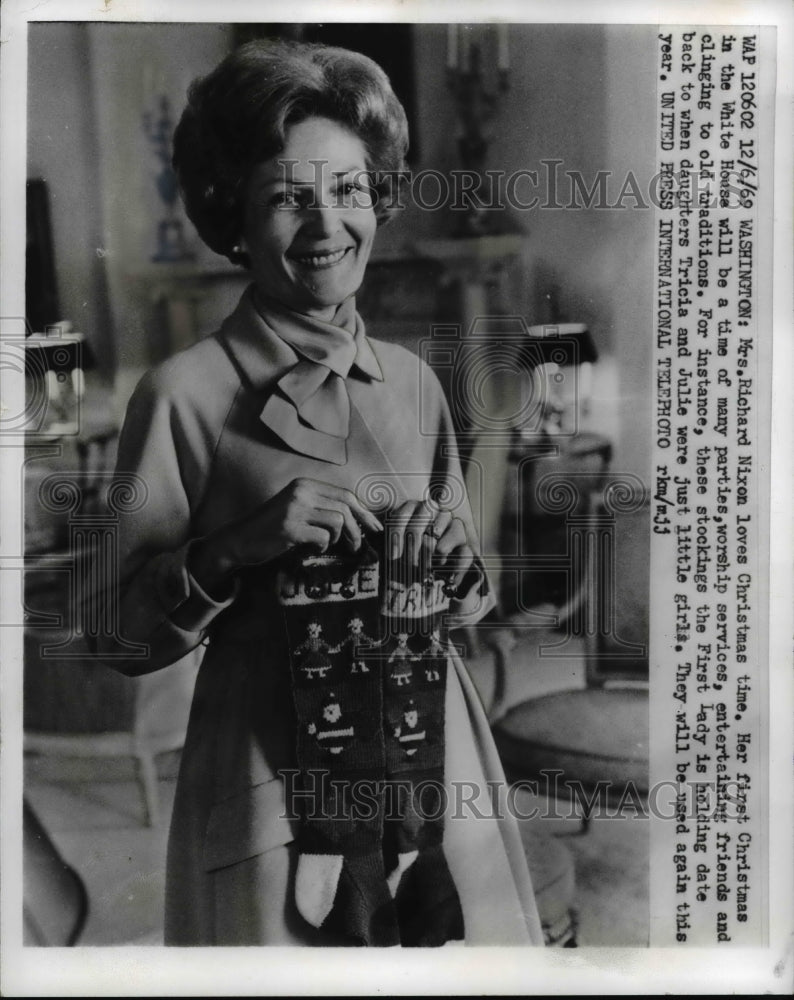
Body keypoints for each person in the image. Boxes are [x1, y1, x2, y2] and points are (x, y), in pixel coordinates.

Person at [104, 38, 543, 947]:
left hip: (433, 755)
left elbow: (467, 601)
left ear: (378, 198)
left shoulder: (416, 383)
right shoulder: (183, 392)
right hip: (270, 774)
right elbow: (115, 630)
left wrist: (458, 565)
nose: (326, 226)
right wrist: (235, 548)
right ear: (232, 215)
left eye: (349, 191)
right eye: (286, 198)